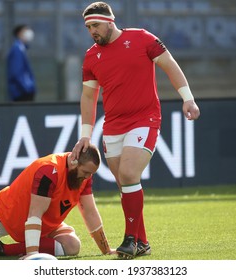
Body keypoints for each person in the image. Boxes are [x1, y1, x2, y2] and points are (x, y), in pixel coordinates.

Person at [71, 2, 200, 259]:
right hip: (114, 125)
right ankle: (142, 241)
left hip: (145, 118)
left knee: (129, 174)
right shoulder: (91, 56)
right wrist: (85, 134)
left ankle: (130, 240)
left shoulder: (142, 38)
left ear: (110, 21)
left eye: (95, 25)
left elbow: (170, 64)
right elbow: (88, 97)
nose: (92, 31)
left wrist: (188, 97)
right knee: (124, 184)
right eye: (88, 27)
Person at [7, 24, 36, 102]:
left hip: (23, 91)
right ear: (19, 34)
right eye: (25, 31)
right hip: (21, 92)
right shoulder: (17, 49)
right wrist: (27, 88)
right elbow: (16, 72)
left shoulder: (22, 49)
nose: (28, 33)